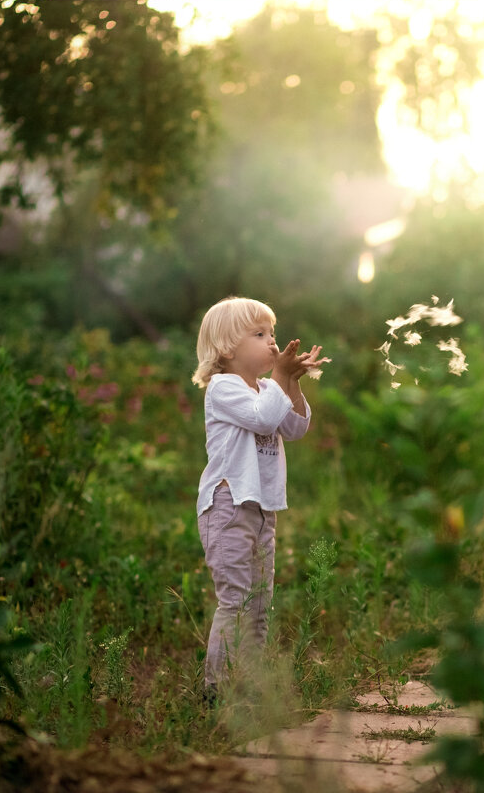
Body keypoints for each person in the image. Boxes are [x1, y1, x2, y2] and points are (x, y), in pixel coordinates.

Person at [190, 296, 327, 697]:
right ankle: (216, 690)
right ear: (227, 349)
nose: (272, 342)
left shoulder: (267, 387)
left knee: (259, 605)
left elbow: (294, 427)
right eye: (260, 334)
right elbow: (263, 417)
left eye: (273, 333)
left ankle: (247, 685)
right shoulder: (223, 388)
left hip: (263, 510)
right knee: (235, 601)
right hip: (228, 507)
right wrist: (282, 377)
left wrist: (291, 381)